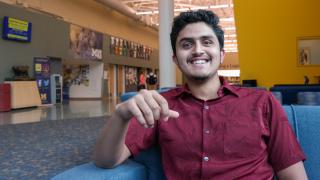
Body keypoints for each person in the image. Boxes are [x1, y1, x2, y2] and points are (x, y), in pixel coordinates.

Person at [94, 10, 307, 179]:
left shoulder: (262, 102)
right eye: (187, 44)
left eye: (207, 42)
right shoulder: (160, 106)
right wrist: (121, 115)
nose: (197, 50)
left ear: (221, 54)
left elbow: (293, 174)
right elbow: (106, 160)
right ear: (176, 59)